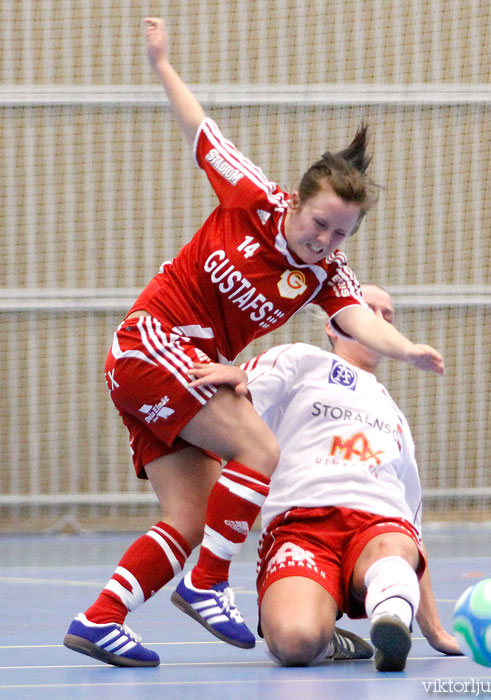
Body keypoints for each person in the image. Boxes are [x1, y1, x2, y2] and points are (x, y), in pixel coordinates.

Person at [64, 17, 444, 668]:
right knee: (260, 448)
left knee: (192, 517)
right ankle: (207, 583)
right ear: (298, 203)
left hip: (188, 372)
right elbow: (199, 131)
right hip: (150, 343)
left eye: (342, 234)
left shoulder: (324, 273)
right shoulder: (252, 198)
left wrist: (406, 348)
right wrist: (161, 65)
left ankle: (100, 619)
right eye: (321, 224)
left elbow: (360, 319)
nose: (327, 241)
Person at [190, 285, 461, 671]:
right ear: (335, 324)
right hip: (301, 527)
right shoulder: (302, 360)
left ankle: (393, 621)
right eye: (369, 311)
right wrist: (231, 377)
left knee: (394, 548)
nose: (380, 320)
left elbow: (412, 537)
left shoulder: (396, 417)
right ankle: (326, 634)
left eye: (388, 315)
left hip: (378, 527)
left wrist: (434, 629)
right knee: (294, 643)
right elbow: (239, 399)